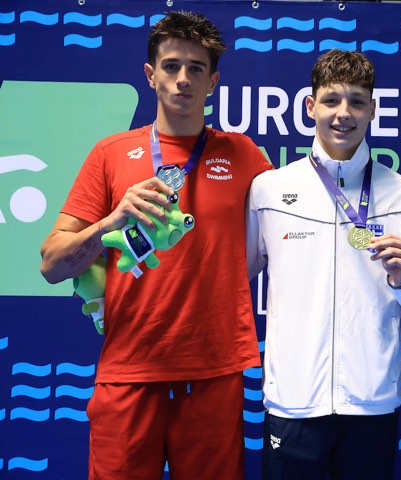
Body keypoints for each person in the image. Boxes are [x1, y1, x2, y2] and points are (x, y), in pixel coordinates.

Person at [40, 11, 272, 479]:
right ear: (150, 75)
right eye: (171, 66)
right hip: (129, 368)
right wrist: (112, 220)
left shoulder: (243, 154)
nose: (183, 78)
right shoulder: (110, 154)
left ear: (213, 82)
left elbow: (305, 210)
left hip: (213, 371)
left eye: (196, 68)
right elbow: (51, 264)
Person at [245, 49, 401, 480]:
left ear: (372, 109)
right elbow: (234, 276)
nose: (344, 113)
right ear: (310, 106)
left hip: (372, 403)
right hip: (293, 402)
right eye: (331, 100)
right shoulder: (269, 189)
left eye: (356, 101)